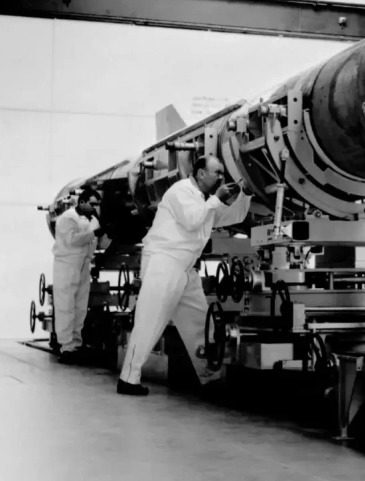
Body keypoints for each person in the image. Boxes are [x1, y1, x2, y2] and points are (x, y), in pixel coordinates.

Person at [117, 155, 252, 396]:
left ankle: (210, 377)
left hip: (185, 269)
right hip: (165, 262)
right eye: (217, 172)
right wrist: (217, 199)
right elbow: (192, 220)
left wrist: (247, 193)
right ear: (201, 173)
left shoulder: (202, 200)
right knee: (149, 323)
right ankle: (128, 380)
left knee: (200, 323)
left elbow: (233, 216)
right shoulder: (181, 191)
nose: (221, 177)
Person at [51, 187, 103, 363]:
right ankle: (66, 347)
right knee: (66, 305)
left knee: (80, 306)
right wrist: (94, 233)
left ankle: (76, 344)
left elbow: (95, 242)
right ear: (81, 202)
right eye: (92, 204)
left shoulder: (93, 220)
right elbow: (72, 240)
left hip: (84, 264)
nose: (95, 207)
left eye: (97, 204)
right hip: (67, 264)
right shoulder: (68, 218)